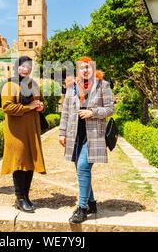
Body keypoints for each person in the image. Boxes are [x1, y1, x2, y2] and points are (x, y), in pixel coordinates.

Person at [59, 56, 114, 223]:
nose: (85, 70)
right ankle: (91, 202)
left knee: (83, 167)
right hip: (75, 134)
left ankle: (82, 208)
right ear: (78, 70)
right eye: (82, 67)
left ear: (93, 69)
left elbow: (110, 109)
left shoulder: (103, 85)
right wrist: (62, 132)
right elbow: (66, 111)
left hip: (94, 135)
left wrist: (93, 113)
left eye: (88, 67)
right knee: (81, 169)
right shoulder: (72, 87)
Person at [0, 56, 46, 213]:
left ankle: (25, 196)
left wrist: (40, 107)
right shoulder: (9, 84)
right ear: (16, 67)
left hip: (31, 129)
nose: (26, 69)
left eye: (29, 66)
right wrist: (29, 107)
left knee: (30, 162)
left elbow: (40, 102)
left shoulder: (33, 84)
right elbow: (7, 107)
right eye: (23, 66)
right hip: (16, 131)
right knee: (19, 162)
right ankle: (20, 198)